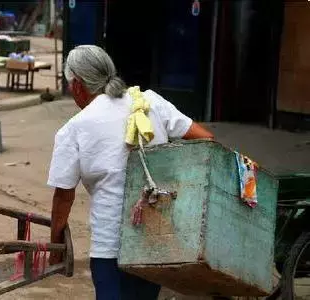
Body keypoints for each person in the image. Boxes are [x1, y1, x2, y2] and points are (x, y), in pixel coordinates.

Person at [47, 45, 214, 300]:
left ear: (77, 85)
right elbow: (207, 141)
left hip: (110, 248)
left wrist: (56, 245)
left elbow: (63, 197)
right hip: (154, 240)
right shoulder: (149, 102)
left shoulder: (74, 129)